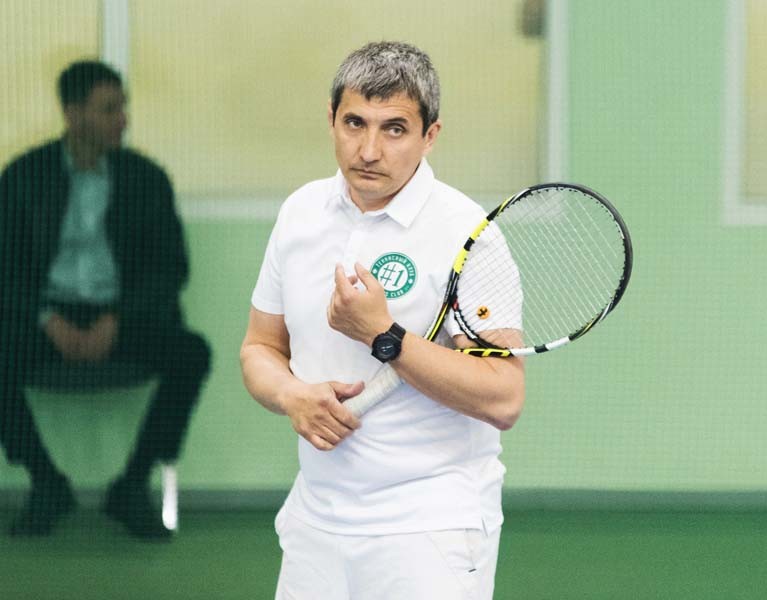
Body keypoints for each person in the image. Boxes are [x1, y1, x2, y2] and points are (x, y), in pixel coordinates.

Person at [240, 41, 525, 599]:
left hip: (430, 528)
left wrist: (384, 335)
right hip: (315, 523)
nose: (369, 150)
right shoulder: (299, 214)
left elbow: (503, 396)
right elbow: (260, 347)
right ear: (331, 119)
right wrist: (291, 395)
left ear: (430, 135)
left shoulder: (469, 234)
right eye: (355, 123)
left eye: (394, 129)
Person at [0, 60, 211, 540]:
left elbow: (170, 267)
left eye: (122, 107)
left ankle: (132, 487)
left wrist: (117, 318)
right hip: (45, 317)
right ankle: (46, 483)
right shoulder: (24, 177)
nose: (123, 119)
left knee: (190, 353)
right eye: (109, 109)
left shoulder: (145, 179)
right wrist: (46, 317)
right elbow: (4, 267)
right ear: (73, 114)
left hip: (122, 316)